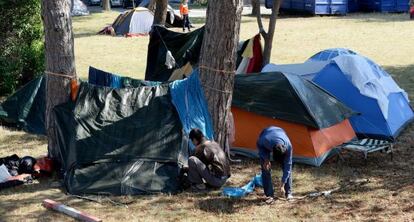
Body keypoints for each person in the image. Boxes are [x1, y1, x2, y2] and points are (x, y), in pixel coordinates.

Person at [257, 126, 293, 204]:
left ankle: (288, 193)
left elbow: (288, 167)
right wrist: (266, 159)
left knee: (287, 168)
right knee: (265, 169)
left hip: (280, 131)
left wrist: (282, 184)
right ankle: (269, 195)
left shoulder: (288, 147)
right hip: (266, 132)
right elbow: (259, 145)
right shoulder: (266, 141)